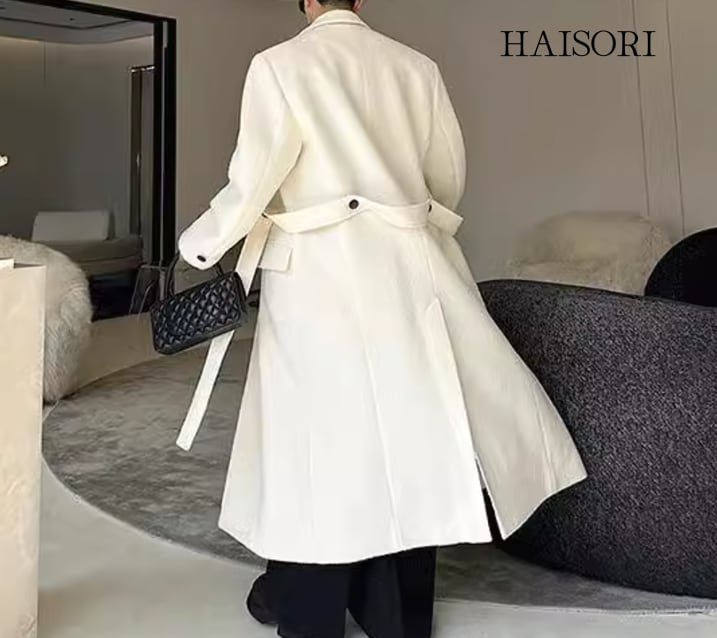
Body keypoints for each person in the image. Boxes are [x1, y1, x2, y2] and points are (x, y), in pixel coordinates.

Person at [177, 1, 587, 637]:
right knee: (408, 431)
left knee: (316, 443)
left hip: (315, 277)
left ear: (305, 1)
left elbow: (253, 179)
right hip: (406, 265)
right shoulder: (416, 67)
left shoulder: (280, 64)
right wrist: (399, 215)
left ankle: (309, 611)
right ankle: (397, 616)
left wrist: (200, 244)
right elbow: (446, 177)